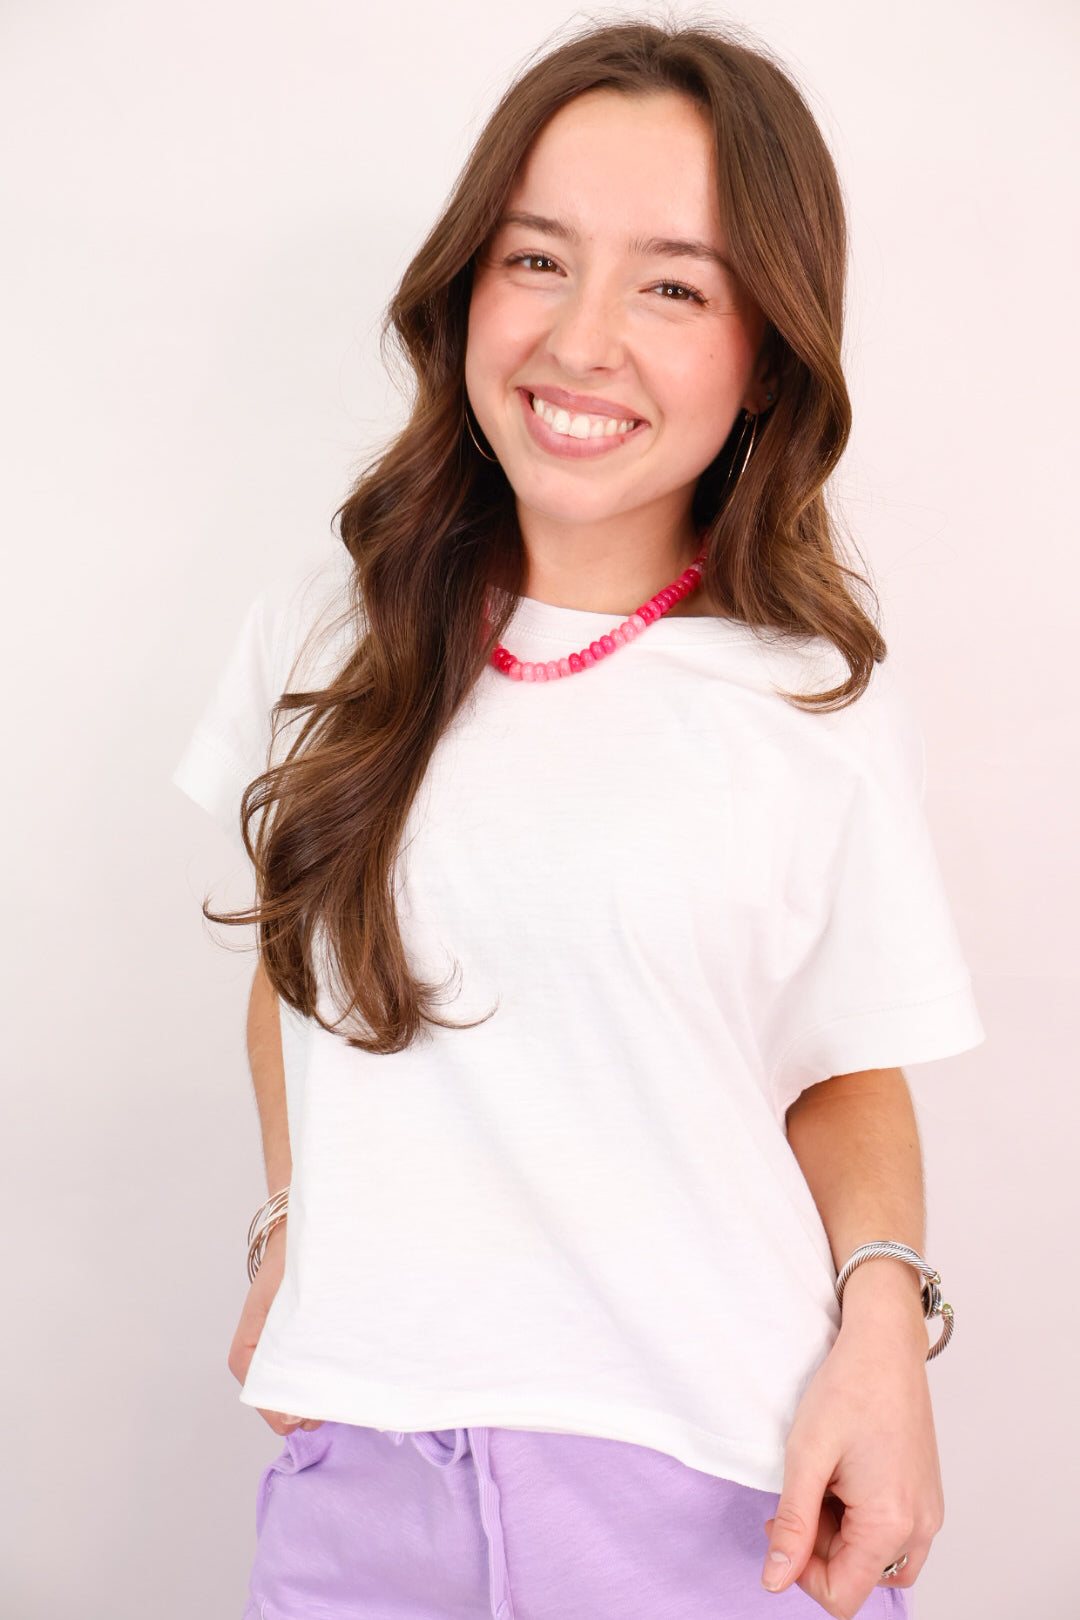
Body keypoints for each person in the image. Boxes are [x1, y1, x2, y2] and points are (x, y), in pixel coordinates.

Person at [171, 19, 984, 1620]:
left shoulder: (805, 696)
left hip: (713, 1499)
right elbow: (293, 961)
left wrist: (888, 1343)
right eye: (536, 260)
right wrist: (290, 1225)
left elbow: (844, 1063)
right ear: (465, 286)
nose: (582, 339)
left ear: (767, 352)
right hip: (364, 1487)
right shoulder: (328, 630)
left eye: (674, 287)